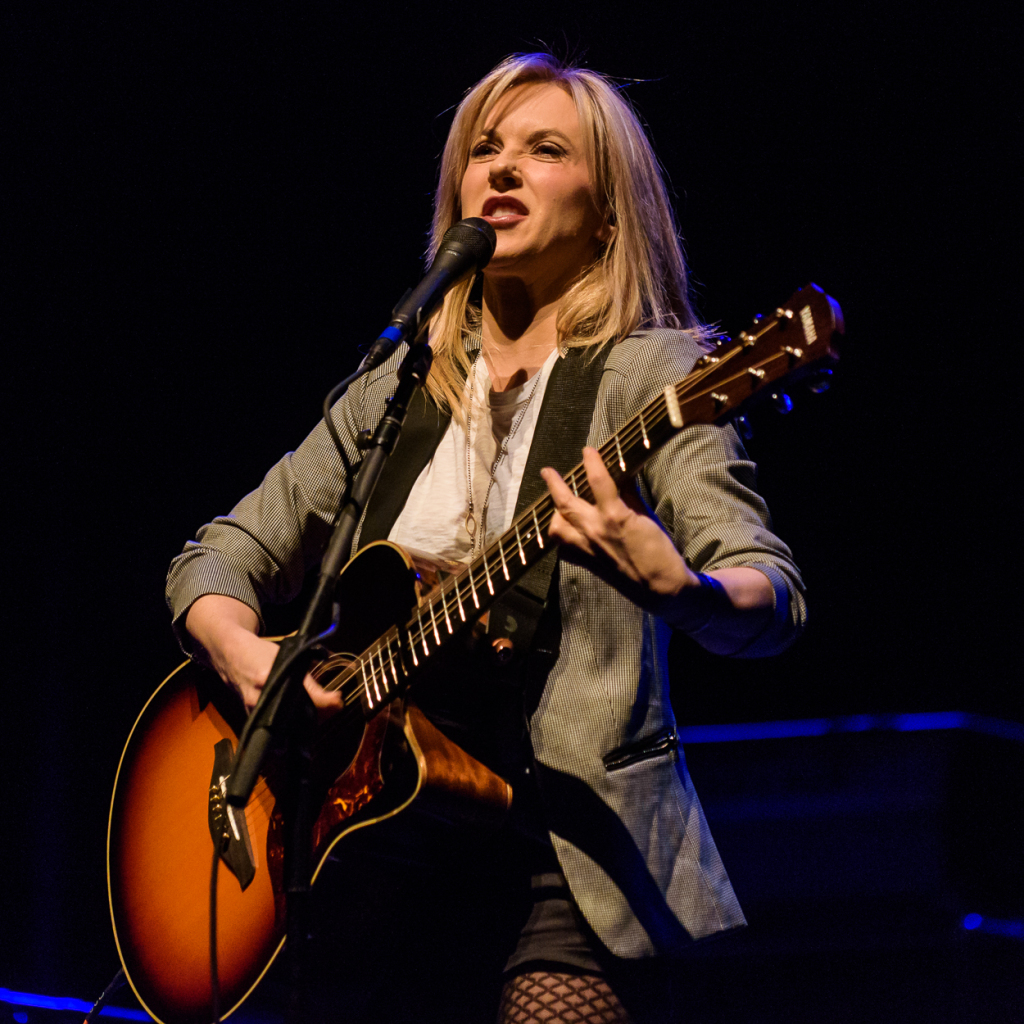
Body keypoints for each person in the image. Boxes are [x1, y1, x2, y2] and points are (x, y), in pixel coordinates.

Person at [167, 53, 806, 1023]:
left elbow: (769, 594)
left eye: (544, 150)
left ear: (607, 213)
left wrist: (683, 591)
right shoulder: (398, 387)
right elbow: (212, 557)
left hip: (570, 851)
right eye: (484, 149)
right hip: (385, 859)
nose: (501, 169)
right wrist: (246, 654)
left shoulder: (658, 377)